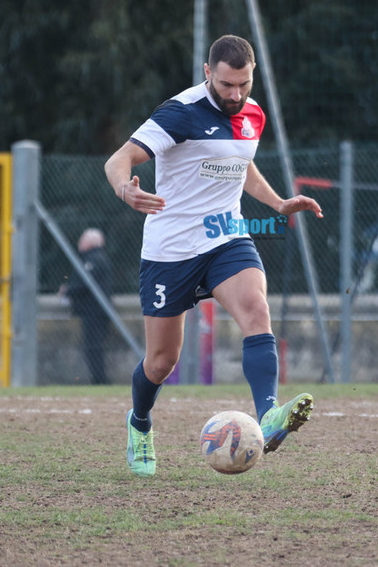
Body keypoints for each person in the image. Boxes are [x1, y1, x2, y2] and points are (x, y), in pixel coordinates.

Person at [104, 34, 324, 477]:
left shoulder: (253, 113)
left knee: (256, 309)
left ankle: (268, 415)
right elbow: (119, 159)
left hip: (226, 237)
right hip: (171, 250)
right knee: (162, 362)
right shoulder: (181, 112)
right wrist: (125, 188)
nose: (236, 94)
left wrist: (278, 203)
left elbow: (241, 164)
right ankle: (140, 423)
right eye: (226, 84)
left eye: (244, 84)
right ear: (208, 73)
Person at [60, 228, 113, 385]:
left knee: (94, 347)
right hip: (94, 311)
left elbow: (84, 283)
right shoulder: (95, 259)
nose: (79, 243)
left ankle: (100, 380)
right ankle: (98, 379)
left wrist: (68, 291)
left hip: (94, 312)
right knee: (93, 347)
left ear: (90, 242)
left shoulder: (93, 260)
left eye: (82, 239)